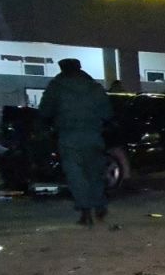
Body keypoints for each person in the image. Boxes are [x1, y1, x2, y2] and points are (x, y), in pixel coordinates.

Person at [39, 58, 113, 227]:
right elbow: (107, 113)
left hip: (69, 137)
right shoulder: (94, 87)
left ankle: (85, 211)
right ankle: (100, 206)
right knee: (95, 172)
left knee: (75, 175)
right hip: (93, 135)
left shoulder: (56, 87)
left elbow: (45, 112)